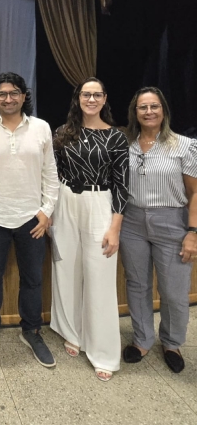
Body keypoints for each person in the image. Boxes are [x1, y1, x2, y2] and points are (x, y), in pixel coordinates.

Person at [0, 73, 59, 368]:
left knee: (32, 280)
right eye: (2, 94)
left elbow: (50, 172)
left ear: (24, 96)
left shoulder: (41, 128)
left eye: (14, 93)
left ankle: (31, 331)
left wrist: (46, 210)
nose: (8, 99)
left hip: (31, 219)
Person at [50, 77, 128, 382]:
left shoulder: (116, 137)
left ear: (105, 99)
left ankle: (103, 351)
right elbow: (53, 174)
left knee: (99, 276)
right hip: (66, 201)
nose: (91, 99)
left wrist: (115, 227)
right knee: (67, 269)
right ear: (78, 98)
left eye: (97, 95)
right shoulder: (62, 133)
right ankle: (72, 331)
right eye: (86, 94)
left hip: (100, 204)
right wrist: (51, 211)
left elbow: (122, 185)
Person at [120, 87, 197, 374]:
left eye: (154, 106)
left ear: (163, 110)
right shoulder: (126, 145)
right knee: (137, 284)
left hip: (172, 221)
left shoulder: (184, 145)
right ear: (135, 112)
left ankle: (172, 343)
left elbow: (195, 193)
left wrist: (193, 232)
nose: (149, 111)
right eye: (143, 107)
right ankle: (142, 340)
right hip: (132, 222)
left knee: (174, 291)